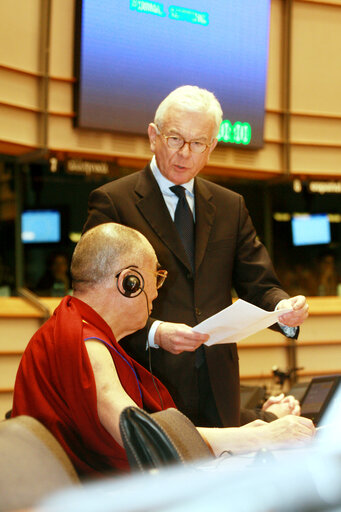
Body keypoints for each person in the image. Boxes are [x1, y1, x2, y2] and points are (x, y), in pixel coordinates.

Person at [83, 85, 309, 428]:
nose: (185, 153)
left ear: (211, 147)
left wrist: (282, 310)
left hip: (218, 385)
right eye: (175, 139)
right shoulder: (114, 201)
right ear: (153, 136)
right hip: (143, 379)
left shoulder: (230, 206)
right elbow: (93, 303)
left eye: (198, 143)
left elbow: (259, 284)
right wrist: (155, 332)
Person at [11, 223, 314, 478]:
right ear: (129, 282)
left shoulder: (72, 328)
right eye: (154, 278)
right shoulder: (85, 342)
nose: (156, 292)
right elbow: (140, 437)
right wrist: (258, 435)